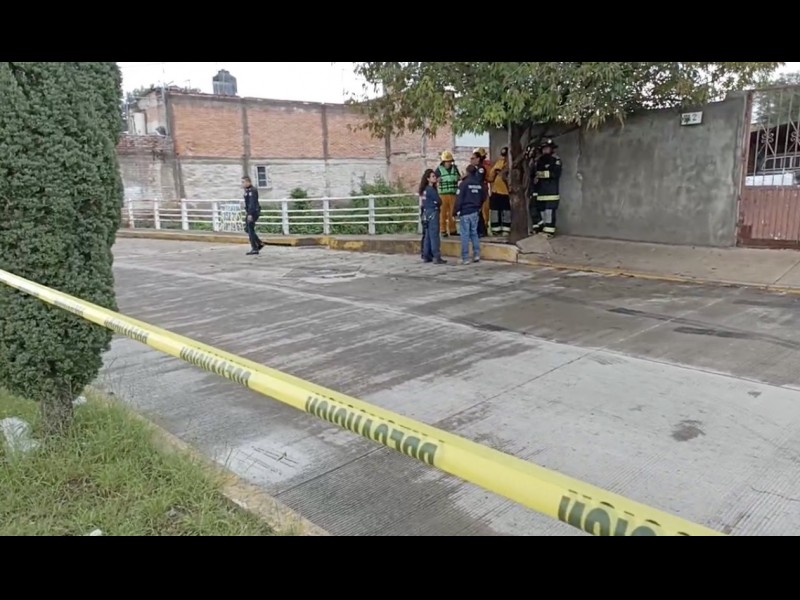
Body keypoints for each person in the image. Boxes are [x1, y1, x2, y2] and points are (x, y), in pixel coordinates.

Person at [454, 164, 486, 265]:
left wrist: (455, 211)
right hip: (475, 211)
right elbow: (484, 196)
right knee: (474, 233)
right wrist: (478, 206)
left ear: (467, 172)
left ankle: (465, 257)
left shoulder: (464, 184)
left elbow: (459, 199)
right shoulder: (479, 184)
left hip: (465, 211)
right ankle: (476, 255)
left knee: (465, 235)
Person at [531, 138, 562, 238]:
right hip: (541, 192)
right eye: (544, 148)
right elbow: (534, 174)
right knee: (541, 211)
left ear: (552, 149)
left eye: (547, 148)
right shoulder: (539, 161)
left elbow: (555, 174)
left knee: (549, 212)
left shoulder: (556, 160)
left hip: (551, 192)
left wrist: (541, 174)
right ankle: (543, 229)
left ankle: (549, 232)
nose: (545, 150)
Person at [419, 168, 447, 264]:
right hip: (433, 212)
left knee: (427, 235)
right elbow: (439, 201)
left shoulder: (424, 190)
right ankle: (436, 256)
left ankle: (426, 255)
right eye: (433, 176)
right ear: (428, 179)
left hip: (426, 212)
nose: (435, 178)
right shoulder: (431, 190)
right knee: (434, 235)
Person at [436, 150, 460, 237]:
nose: (448, 163)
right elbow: (435, 179)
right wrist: (438, 180)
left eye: (449, 161)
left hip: (453, 194)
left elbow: (459, 177)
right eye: (447, 161)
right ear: (443, 162)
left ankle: (453, 230)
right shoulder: (439, 170)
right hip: (443, 195)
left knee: (452, 213)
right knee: (442, 213)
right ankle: (443, 230)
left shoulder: (455, 168)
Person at [487, 146, 511, 235]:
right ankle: (496, 229)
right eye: (503, 155)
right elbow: (491, 177)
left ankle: (506, 229)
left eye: (505, 155)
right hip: (496, 191)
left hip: (506, 192)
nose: (504, 157)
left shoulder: (511, 165)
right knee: (495, 211)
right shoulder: (499, 163)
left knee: (506, 212)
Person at [242, 175, 264, 255]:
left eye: (243, 182)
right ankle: (259, 243)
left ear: (248, 182)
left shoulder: (253, 190)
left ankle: (254, 248)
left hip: (253, 212)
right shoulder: (247, 191)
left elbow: (252, 203)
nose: (242, 184)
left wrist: (250, 214)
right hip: (249, 212)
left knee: (250, 229)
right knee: (247, 229)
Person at [473, 148, 492, 237]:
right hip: (480, 191)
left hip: (482, 191)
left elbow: (480, 180)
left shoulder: (482, 168)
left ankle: (483, 228)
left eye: (474, 158)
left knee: (483, 211)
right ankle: (481, 229)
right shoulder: (476, 167)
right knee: (480, 212)